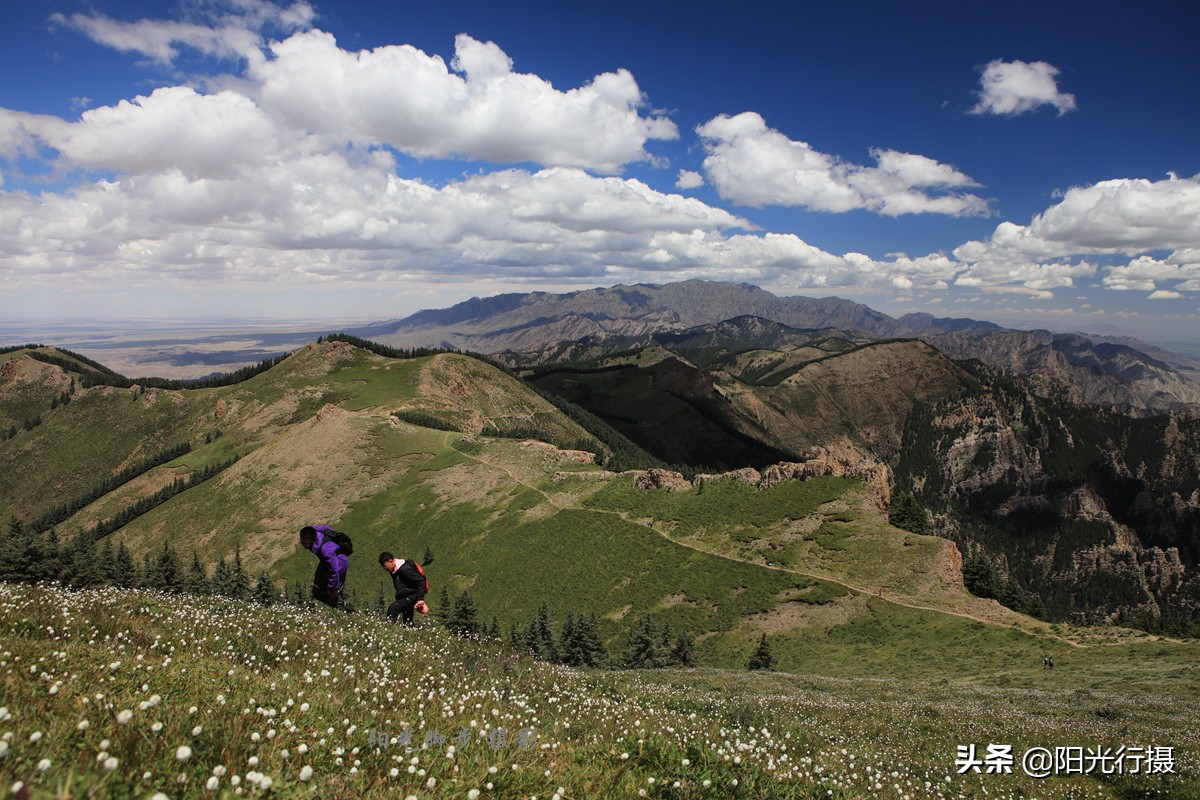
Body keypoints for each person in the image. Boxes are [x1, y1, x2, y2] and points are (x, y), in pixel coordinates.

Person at [300, 525, 349, 611]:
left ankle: (342, 611)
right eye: (302, 542)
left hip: (339, 564)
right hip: (326, 562)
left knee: (334, 595)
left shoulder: (326, 550)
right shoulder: (314, 530)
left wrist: (332, 588)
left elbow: (334, 570)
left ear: (314, 539)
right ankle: (335, 606)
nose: (304, 546)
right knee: (316, 591)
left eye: (306, 544)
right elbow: (326, 528)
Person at [379, 551, 428, 625]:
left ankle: (389, 628)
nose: (385, 569)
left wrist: (420, 599)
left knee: (393, 608)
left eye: (385, 566)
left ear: (391, 561)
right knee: (407, 622)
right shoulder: (394, 569)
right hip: (406, 595)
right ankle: (408, 630)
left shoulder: (405, 569)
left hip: (413, 594)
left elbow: (421, 580)